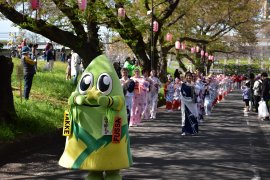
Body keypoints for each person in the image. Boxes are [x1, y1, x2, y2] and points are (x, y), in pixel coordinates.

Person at [180, 72, 199, 136]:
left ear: (192, 77)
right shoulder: (183, 85)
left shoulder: (194, 84)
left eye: (190, 76)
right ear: (185, 77)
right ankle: (184, 131)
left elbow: (197, 93)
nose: (189, 77)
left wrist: (194, 88)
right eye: (187, 76)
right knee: (184, 116)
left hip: (192, 103)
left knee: (194, 115)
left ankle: (193, 131)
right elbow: (183, 94)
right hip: (185, 103)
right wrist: (188, 99)